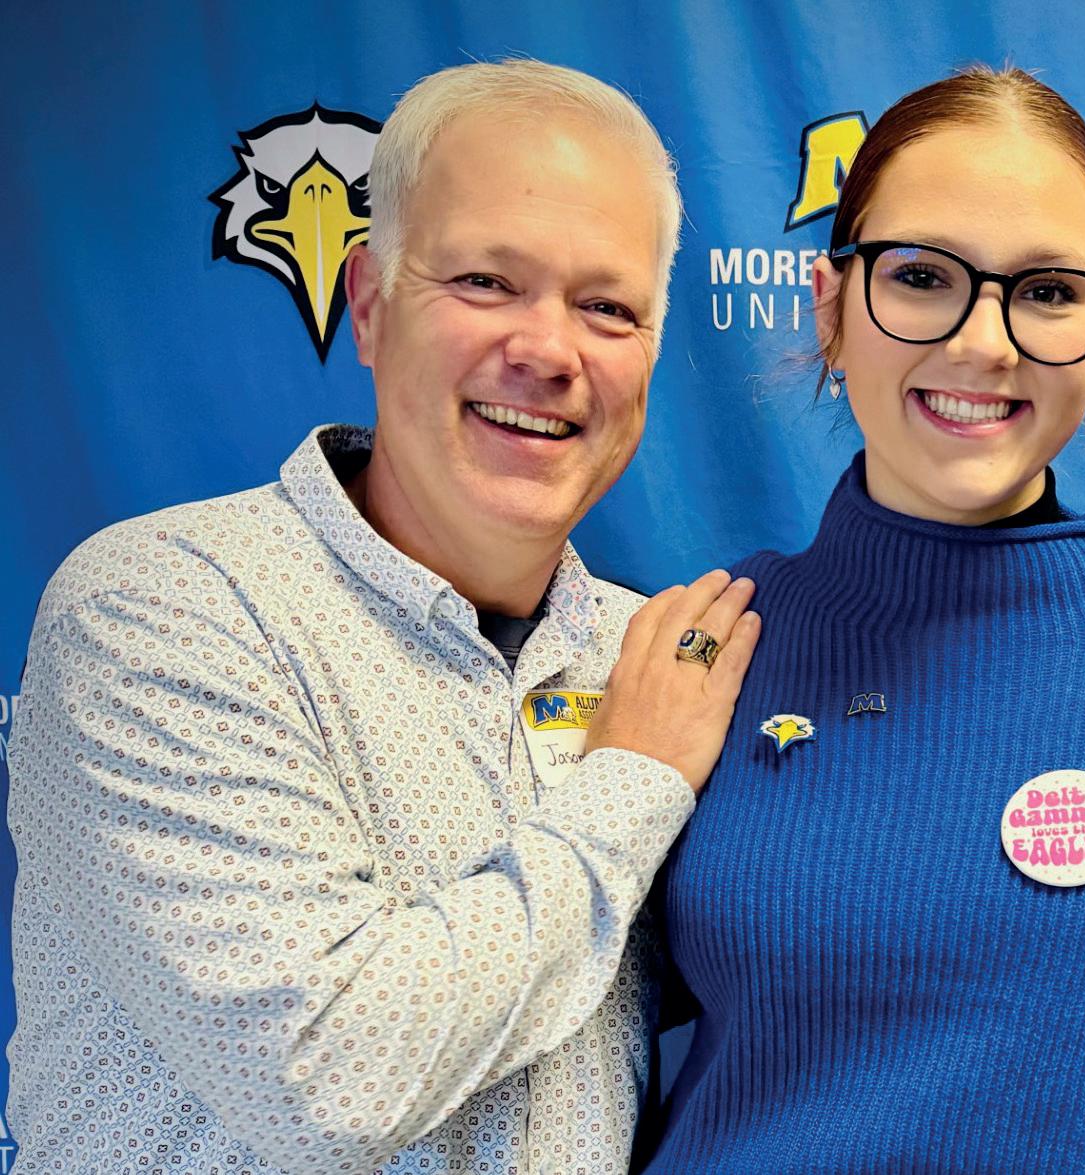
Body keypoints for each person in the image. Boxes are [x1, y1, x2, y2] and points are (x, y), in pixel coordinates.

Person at [6, 60, 758, 1172]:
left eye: (607, 307)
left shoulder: (651, 654)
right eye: (487, 281)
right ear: (368, 304)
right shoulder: (165, 604)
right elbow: (329, 1077)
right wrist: (635, 779)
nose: (549, 351)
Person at [639, 67, 1085, 1172]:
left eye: (1046, 291)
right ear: (828, 304)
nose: (984, 342)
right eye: (920, 276)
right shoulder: (706, 641)